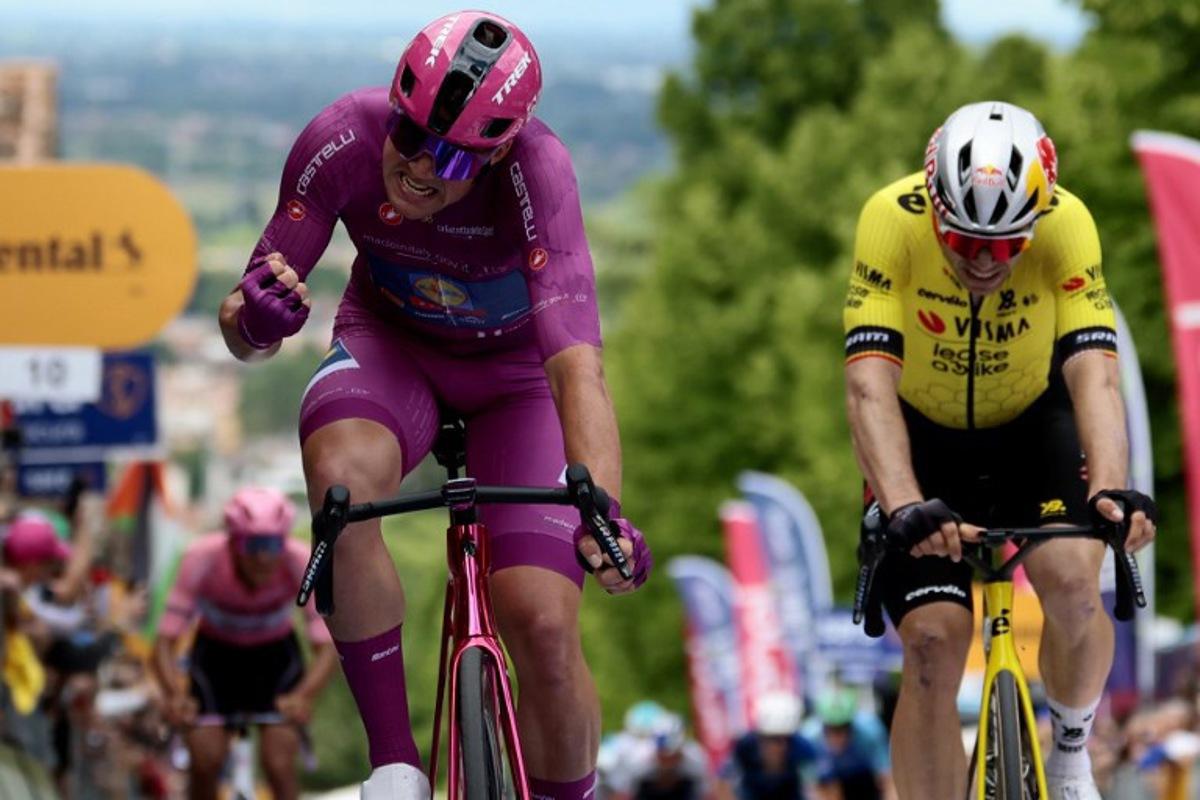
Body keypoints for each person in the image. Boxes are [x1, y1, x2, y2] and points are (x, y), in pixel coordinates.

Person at [215, 10, 652, 799]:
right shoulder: (340, 139)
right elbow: (246, 332)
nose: (421, 168)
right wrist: (252, 322)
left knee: (546, 626)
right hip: (393, 348)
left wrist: (605, 511)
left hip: (517, 383)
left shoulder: (539, 175)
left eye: (454, 157)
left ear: (499, 151)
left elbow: (576, 370)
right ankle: (394, 765)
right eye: (411, 136)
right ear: (392, 105)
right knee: (342, 489)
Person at [842, 100, 1158, 799]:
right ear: (934, 212)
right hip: (920, 442)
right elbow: (869, 387)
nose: (985, 261)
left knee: (1077, 582)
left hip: (1030, 429)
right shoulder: (889, 220)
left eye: (1007, 245)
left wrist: (1110, 488)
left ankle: (1072, 752)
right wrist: (902, 506)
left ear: (1037, 221)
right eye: (963, 243)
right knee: (931, 641)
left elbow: (1094, 371)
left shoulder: (1068, 224)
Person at [151, 487, 337, 800]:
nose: (264, 557)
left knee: (278, 763)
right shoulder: (201, 557)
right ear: (232, 543)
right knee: (205, 760)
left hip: (275, 660)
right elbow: (163, 644)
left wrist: (304, 696)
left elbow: (326, 649)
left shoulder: (299, 559)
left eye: (273, 543)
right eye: (253, 544)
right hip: (215, 658)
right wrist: (174, 696)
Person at [718, 690, 819, 800]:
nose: (780, 746)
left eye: (786, 739)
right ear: (760, 736)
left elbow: (818, 787)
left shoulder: (803, 748)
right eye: (773, 738)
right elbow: (722, 782)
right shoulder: (745, 747)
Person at [805, 688, 893, 800]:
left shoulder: (871, 732)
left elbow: (887, 779)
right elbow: (811, 786)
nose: (837, 735)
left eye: (843, 727)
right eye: (831, 728)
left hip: (865, 778)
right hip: (829, 780)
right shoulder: (809, 738)